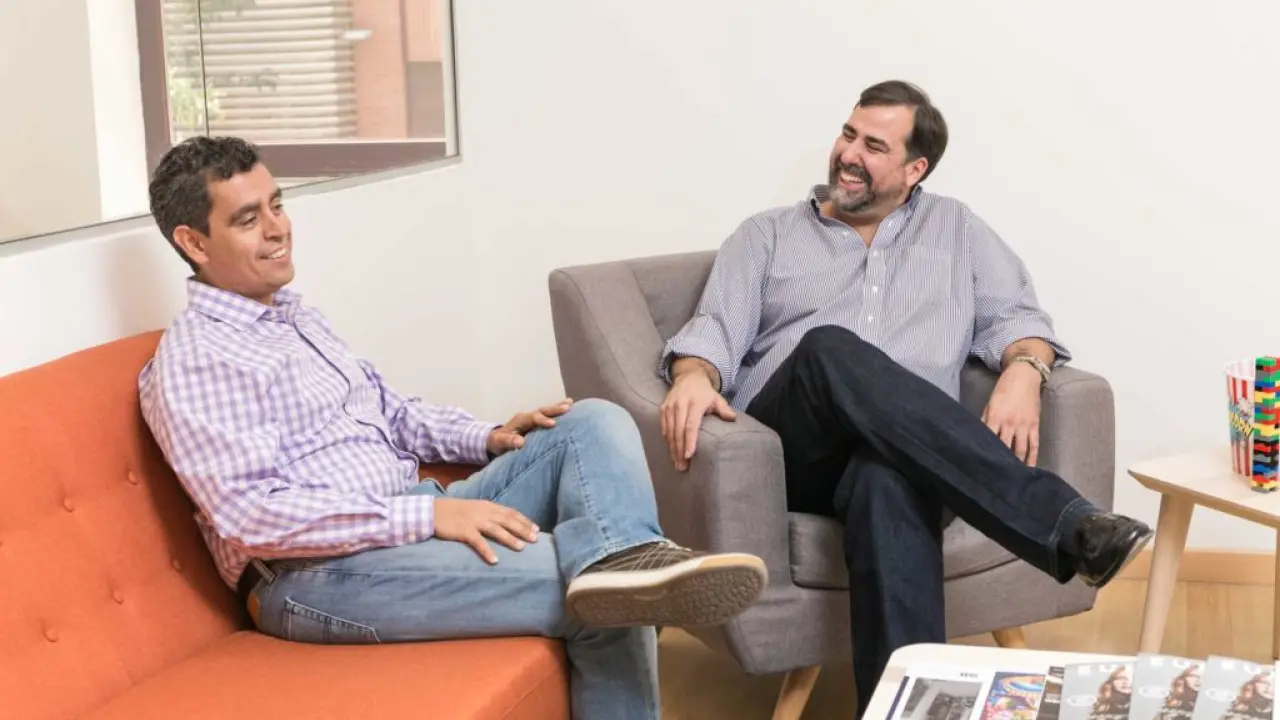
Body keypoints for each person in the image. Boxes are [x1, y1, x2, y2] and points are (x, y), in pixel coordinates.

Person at [137, 135, 768, 720]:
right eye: (248, 219)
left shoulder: (290, 315)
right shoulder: (199, 359)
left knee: (590, 422)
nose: (278, 229)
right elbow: (253, 516)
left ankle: (628, 555)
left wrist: (488, 437)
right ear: (195, 243)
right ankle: (624, 569)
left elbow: (391, 412)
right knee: (596, 593)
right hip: (314, 576)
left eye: (277, 205)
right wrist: (427, 517)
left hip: (407, 512)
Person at [657, 80, 1154, 714]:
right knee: (829, 348)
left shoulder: (958, 230)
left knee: (886, 479)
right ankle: (1066, 525)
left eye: (874, 146)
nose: (848, 154)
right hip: (793, 453)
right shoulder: (767, 235)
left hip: (912, 453)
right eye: (848, 134)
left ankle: (907, 710)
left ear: (915, 169)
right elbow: (713, 334)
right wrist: (693, 375)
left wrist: (1026, 370)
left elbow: (1020, 318)